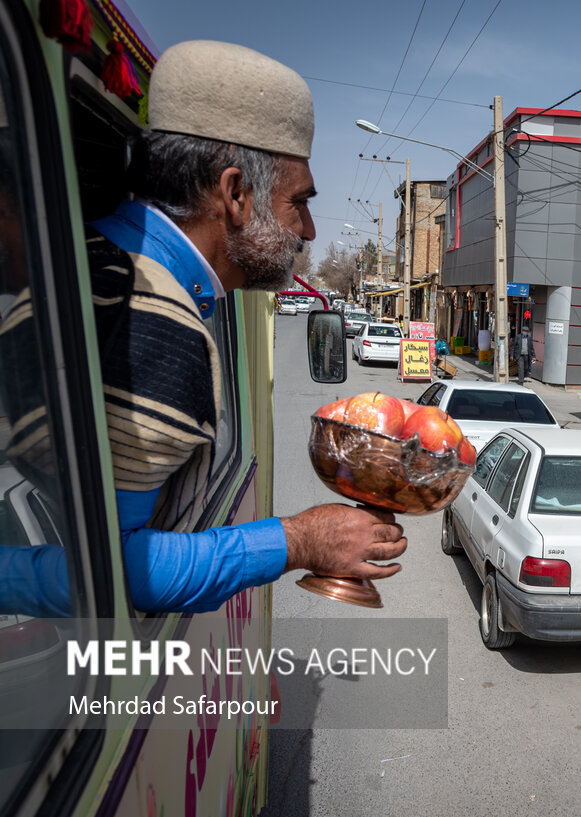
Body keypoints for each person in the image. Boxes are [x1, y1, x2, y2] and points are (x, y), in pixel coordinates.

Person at [2, 40, 406, 616]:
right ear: (235, 195)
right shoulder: (149, 322)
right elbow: (108, 573)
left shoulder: (96, 254)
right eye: (299, 202)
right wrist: (299, 541)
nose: (310, 230)